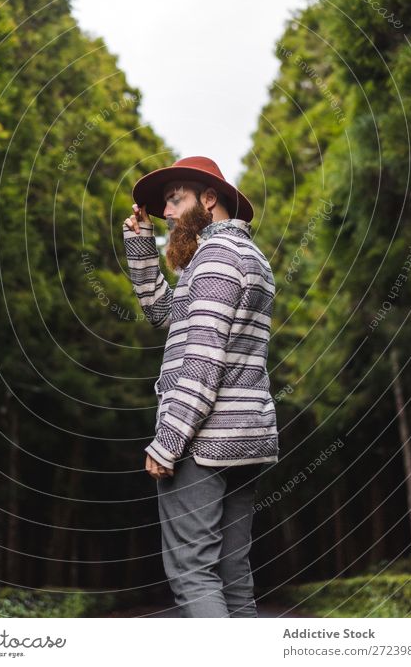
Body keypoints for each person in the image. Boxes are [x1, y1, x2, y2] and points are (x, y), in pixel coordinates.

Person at [122, 156, 278, 617]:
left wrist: (168, 441)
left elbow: (203, 359)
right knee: (233, 580)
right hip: (246, 439)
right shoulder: (248, 258)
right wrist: (140, 245)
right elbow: (164, 314)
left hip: (203, 441)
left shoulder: (214, 261)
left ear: (209, 199)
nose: (166, 212)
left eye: (175, 199)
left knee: (193, 575)